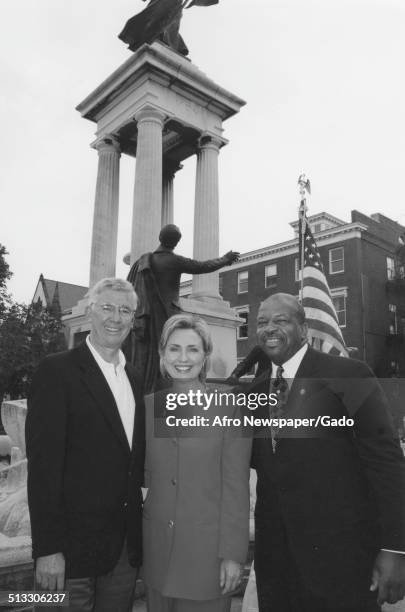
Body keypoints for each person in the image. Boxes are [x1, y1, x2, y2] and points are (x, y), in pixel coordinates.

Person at [249, 292, 405, 612]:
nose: (269, 328)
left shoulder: (350, 375)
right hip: (277, 566)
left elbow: (387, 465)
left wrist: (396, 548)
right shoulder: (253, 392)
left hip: (342, 563)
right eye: (262, 322)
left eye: (281, 320)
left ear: (304, 328)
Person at [25, 278, 145, 612]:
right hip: (67, 554)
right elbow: (44, 468)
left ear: (133, 319)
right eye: (107, 307)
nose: (115, 318)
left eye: (125, 310)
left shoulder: (134, 377)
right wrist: (47, 549)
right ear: (90, 312)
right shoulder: (56, 371)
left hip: (121, 553)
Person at [143, 313, 251, 611]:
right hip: (157, 558)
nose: (183, 358)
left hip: (206, 562)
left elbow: (236, 487)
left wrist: (232, 555)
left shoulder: (229, 409)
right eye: (174, 348)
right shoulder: (151, 406)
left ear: (205, 356)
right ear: (162, 354)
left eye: (193, 349)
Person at [126, 224, 239, 392]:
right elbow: (203, 266)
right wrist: (225, 258)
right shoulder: (174, 261)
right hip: (168, 317)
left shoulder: (141, 262)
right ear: (176, 243)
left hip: (146, 317)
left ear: (160, 238)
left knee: (151, 356)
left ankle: (147, 389)